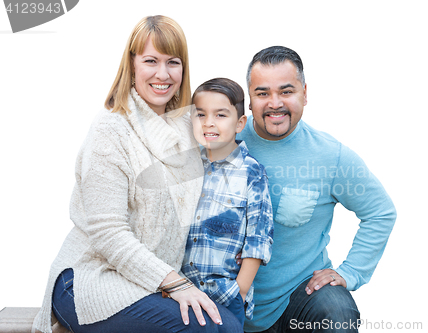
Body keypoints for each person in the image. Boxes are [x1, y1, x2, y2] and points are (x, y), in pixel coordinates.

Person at [32, 16, 243, 333]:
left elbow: (235, 125)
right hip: (90, 280)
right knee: (206, 328)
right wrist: (176, 284)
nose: (163, 73)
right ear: (131, 65)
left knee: (228, 324)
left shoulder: (188, 125)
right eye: (151, 61)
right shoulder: (110, 132)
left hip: (149, 280)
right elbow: (108, 234)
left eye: (173, 62)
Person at [237, 46, 397, 333]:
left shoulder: (330, 156)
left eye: (286, 91)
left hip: (298, 299)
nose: (275, 103)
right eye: (262, 93)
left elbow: (380, 212)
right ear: (249, 100)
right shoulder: (223, 144)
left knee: (337, 314)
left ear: (305, 94)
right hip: (228, 300)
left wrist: (351, 272)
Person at [182, 78, 274, 328]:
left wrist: (238, 293)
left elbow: (258, 240)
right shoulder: (187, 166)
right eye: (200, 114)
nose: (209, 122)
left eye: (220, 115)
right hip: (181, 292)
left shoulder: (251, 172)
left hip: (224, 295)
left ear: (240, 123)